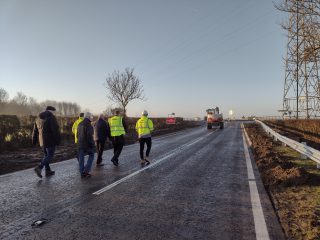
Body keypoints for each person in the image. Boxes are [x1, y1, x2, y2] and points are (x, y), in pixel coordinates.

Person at [32, 106, 61, 178]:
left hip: (42, 141)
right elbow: (55, 130)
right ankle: (39, 167)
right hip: (49, 140)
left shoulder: (38, 119)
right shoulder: (51, 118)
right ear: (51, 111)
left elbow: (35, 131)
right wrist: (57, 140)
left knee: (46, 155)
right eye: (54, 112)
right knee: (49, 155)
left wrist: (34, 140)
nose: (55, 113)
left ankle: (47, 171)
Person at [77, 112, 95, 178]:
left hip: (80, 144)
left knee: (81, 158)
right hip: (87, 144)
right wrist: (92, 145)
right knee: (92, 155)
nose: (92, 118)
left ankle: (82, 173)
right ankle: (86, 170)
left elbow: (77, 135)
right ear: (89, 117)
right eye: (91, 117)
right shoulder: (89, 125)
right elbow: (89, 136)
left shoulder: (79, 124)